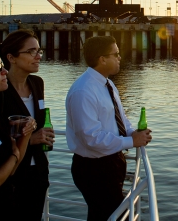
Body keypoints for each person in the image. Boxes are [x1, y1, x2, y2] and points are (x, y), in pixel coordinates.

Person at [66, 36, 152, 221]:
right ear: (102, 59)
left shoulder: (108, 84)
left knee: (104, 215)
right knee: (114, 215)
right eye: (116, 54)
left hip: (110, 163)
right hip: (94, 169)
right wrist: (131, 141)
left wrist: (133, 133)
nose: (120, 57)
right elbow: (91, 138)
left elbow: (120, 119)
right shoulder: (84, 91)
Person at [0, 29, 54, 220]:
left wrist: (44, 135)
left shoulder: (37, 83)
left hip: (38, 173)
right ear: (12, 57)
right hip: (12, 175)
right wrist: (31, 138)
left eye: (39, 51)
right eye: (31, 52)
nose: (38, 56)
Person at [0, 44, 36, 220]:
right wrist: (14, 155)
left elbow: (11, 170)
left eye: (2, 65)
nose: (4, 72)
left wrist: (25, 136)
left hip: (6, 208)